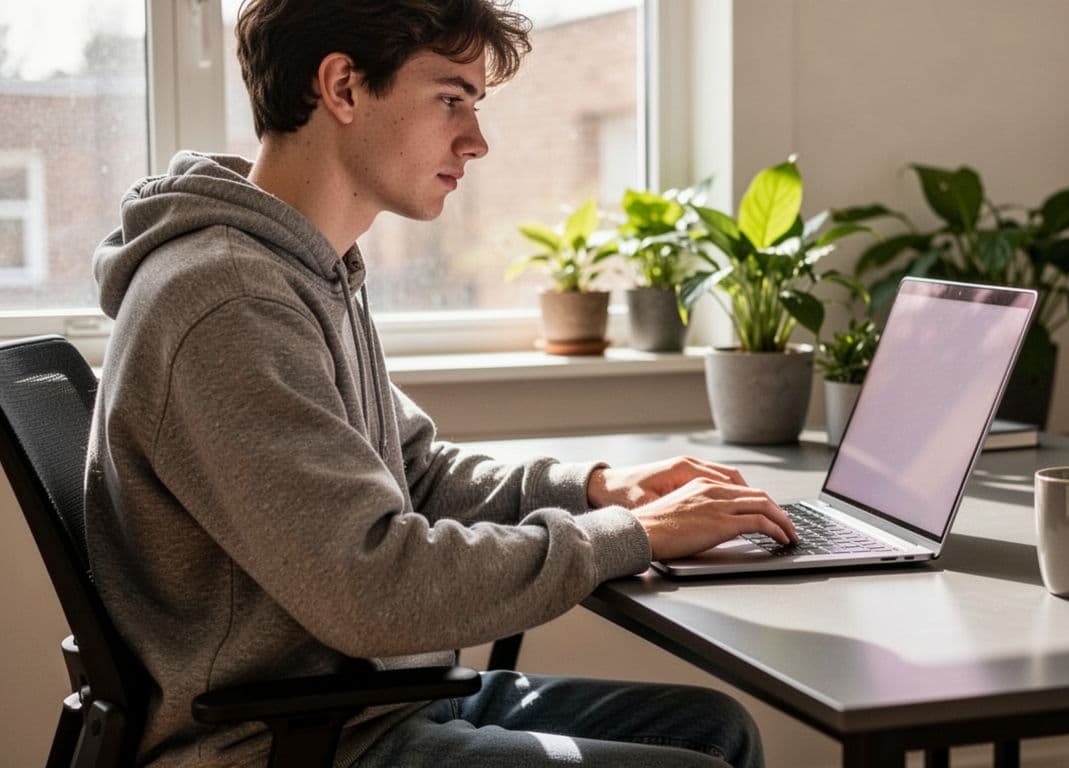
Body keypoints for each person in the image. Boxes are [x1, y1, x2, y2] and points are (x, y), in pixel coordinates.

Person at [83, 1, 798, 766]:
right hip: (289, 740)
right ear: (344, 88)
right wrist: (636, 537)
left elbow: (415, 473)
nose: (477, 141)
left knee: (714, 729)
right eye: (451, 99)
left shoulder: (302, 271)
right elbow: (372, 586)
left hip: (370, 701)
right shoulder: (230, 300)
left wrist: (598, 488)